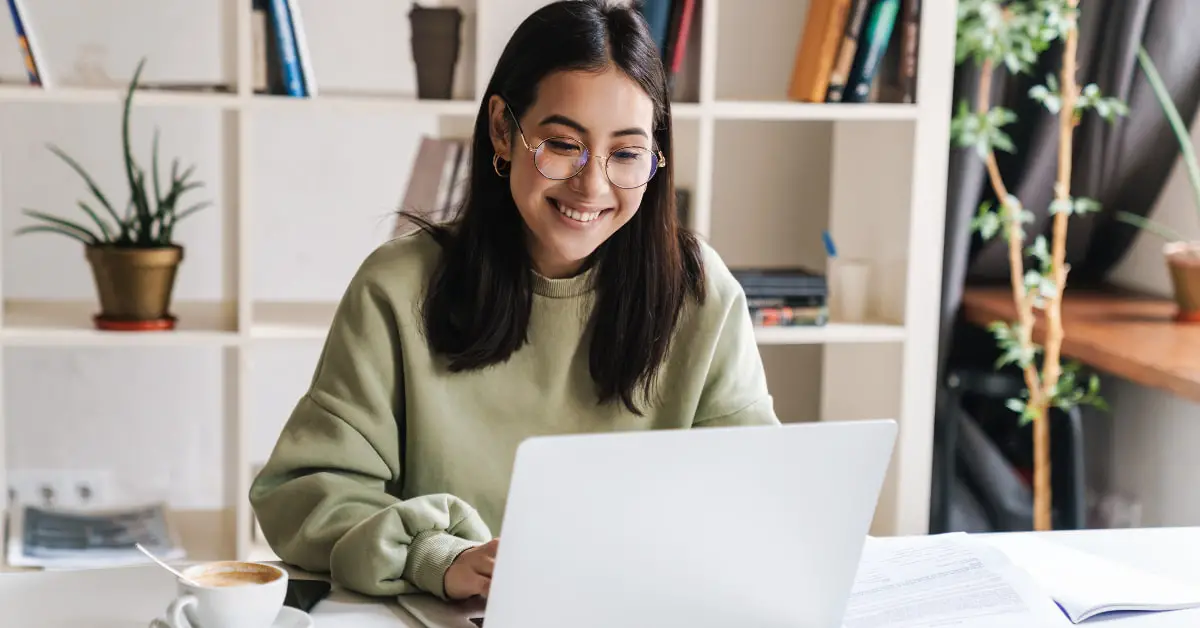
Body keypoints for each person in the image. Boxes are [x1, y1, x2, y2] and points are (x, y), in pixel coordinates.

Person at [249, 0, 780, 603]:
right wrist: (433, 554)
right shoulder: (397, 288)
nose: (593, 184)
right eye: (561, 144)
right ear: (503, 128)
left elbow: (753, 497)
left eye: (627, 153)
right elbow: (305, 491)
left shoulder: (701, 295)